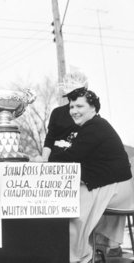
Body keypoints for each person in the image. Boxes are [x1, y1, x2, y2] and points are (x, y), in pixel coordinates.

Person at [47, 89, 134, 263]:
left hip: (119, 186)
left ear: (93, 108)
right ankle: (85, 251)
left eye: (79, 106)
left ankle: (78, 257)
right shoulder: (92, 126)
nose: (74, 111)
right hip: (112, 182)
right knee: (69, 198)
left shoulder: (95, 127)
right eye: (71, 107)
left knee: (71, 207)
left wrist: (46, 160)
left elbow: (71, 156)